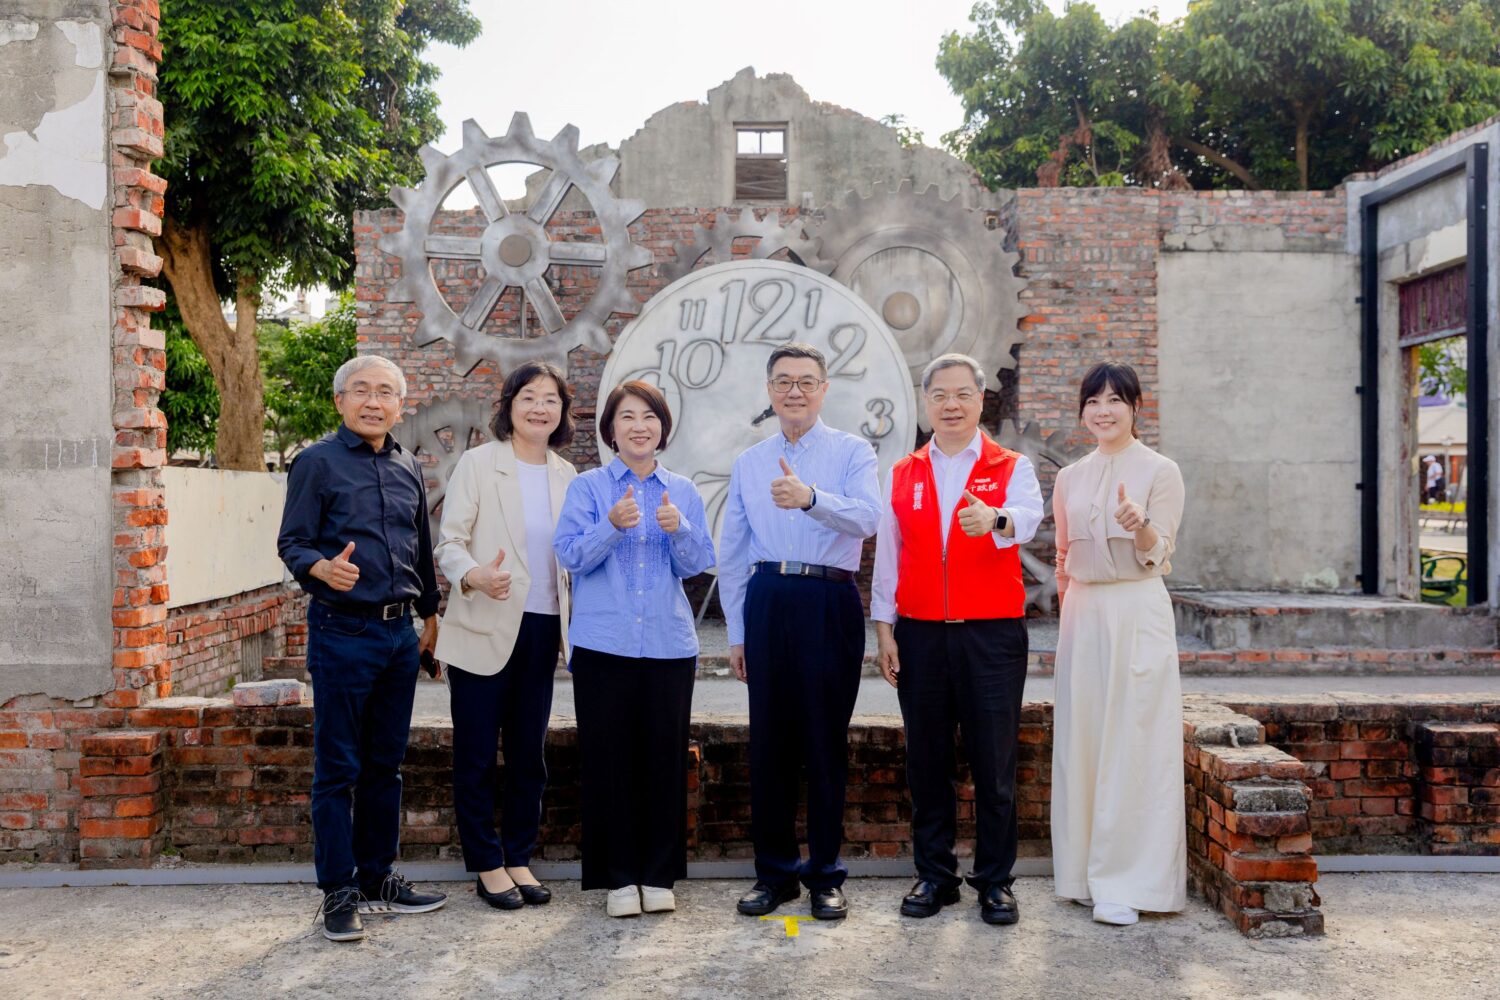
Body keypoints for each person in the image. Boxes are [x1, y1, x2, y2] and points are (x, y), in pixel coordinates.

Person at [277, 354, 448, 943]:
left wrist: (431, 616)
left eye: (385, 393)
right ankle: (339, 890)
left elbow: (422, 547)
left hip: (401, 636)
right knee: (338, 769)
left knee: (386, 765)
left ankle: (378, 877)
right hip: (342, 632)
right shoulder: (316, 464)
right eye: (361, 391)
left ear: (401, 405)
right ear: (340, 402)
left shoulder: (408, 467)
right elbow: (292, 542)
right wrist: (321, 567)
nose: (373, 401)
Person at [871, 353, 1044, 926]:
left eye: (963, 394)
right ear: (927, 403)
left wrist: (993, 520)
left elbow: (1028, 517)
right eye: (940, 395)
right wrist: (884, 629)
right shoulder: (903, 472)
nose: (951, 404)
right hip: (919, 634)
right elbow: (888, 559)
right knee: (926, 761)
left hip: (991, 635)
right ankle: (935, 876)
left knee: (994, 764)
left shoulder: (1009, 465)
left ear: (980, 399)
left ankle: (995, 881)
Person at [719, 343, 881, 921]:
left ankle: (825, 877)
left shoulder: (852, 451)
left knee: (824, 741)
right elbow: (733, 554)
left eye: (806, 381)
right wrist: (736, 633)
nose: (795, 391)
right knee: (769, 744)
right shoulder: (750, 462)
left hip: (828, 597)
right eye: (784, 381)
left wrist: (810, 499)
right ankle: (775, 875)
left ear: (824, 388)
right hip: (767, 599)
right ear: (769, 390)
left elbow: (869, 518)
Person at [553, 380, 715, 918]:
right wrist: (612, 526)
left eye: (648, 416)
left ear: (662, 427)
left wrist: (680, 528)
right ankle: (618, 877)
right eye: (627, 417)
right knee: (608, 759)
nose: (639, 425)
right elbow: (571, 555)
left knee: (663, 760)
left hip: (668, 645)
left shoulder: (682, 490)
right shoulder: (588, 488)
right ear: (611, 429)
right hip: (604, 644)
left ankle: (658, 874)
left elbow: (698, 563)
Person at [433, 361, 578, 911]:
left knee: (528, 753)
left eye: (551, 400)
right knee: (474, 753)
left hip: (543, 629)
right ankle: (487, 864)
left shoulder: (568, 475)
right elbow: (450, 542)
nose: (540, 408)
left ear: (562, 412)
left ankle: (518, 854)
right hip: (482, 623)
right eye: (529, 398)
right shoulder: (479, 463)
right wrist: (474, 574)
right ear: (510, 406)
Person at [1050, 361, 1188, 927]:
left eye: (1115, 400)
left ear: (1136, 407)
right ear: (1083, 410)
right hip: (1083, 611)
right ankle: (1082, 873)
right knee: (1084, 740)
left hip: (1137, 606)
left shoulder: (1161, 470)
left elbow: (1161, 553)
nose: (1103, 410)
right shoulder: (1069, 477)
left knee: (1135, 741)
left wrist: (1139, 525)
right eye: (1093, 401)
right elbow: (1062, 557)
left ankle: (1129, 882)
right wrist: (1068, 619)